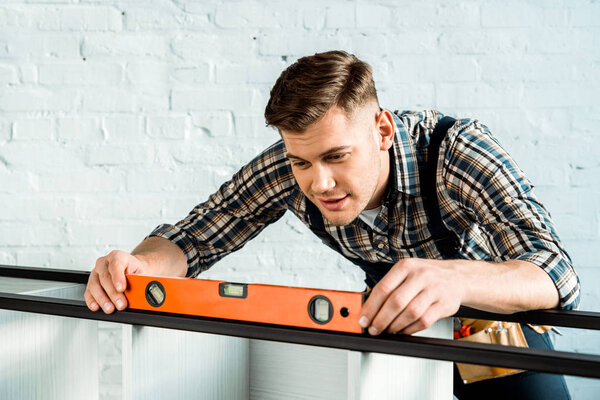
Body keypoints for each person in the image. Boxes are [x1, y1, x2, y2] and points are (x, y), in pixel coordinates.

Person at [84, 50, 579, 398]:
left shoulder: (456, 151)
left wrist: (452, 278)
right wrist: (140, 263)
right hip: (391, 332)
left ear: (382, 130)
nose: (319, 183)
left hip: (494, 333)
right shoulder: (290, 166)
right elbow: (196, 235)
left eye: (337, 156)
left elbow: (556, 271)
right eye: (302, 162)